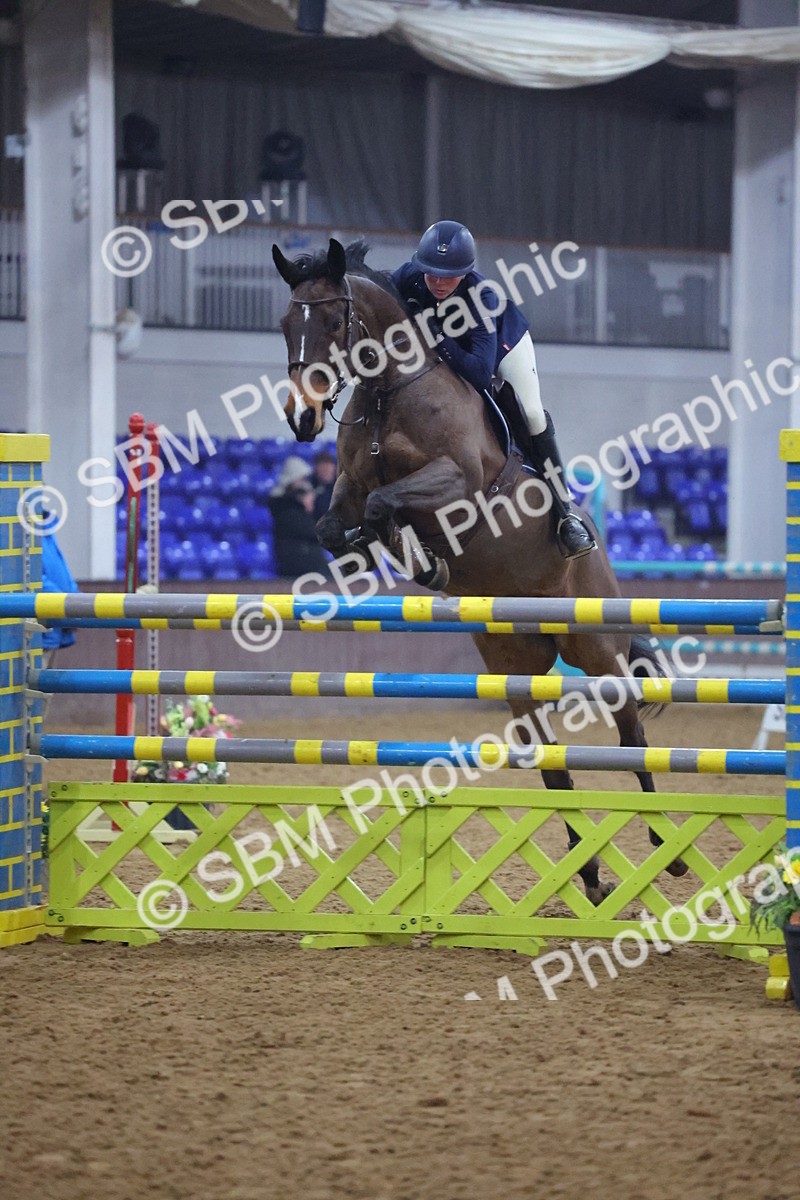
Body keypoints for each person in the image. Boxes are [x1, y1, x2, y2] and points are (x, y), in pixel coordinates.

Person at [392, 220, 596, 559]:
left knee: (531, 413)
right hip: (452, 350)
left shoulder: (481, 297)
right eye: (432, 274)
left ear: (465, 272)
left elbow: (480, 372)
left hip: (500, 350)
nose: (439, 283)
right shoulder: (409, 276)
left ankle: (565, 514)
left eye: (448, 275)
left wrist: (438, 336)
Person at [268, 456, 331, 579]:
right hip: (296, 562)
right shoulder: (284, 508)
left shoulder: (295, 507)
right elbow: (311, 531)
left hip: (309, 561)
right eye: (303, 480)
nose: (306, 484)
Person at [311, 447, 337, 522]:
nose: (325, 469)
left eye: (328, 465)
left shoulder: (341, 486)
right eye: (321, 465)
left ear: (334, 467)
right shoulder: (310, 485)